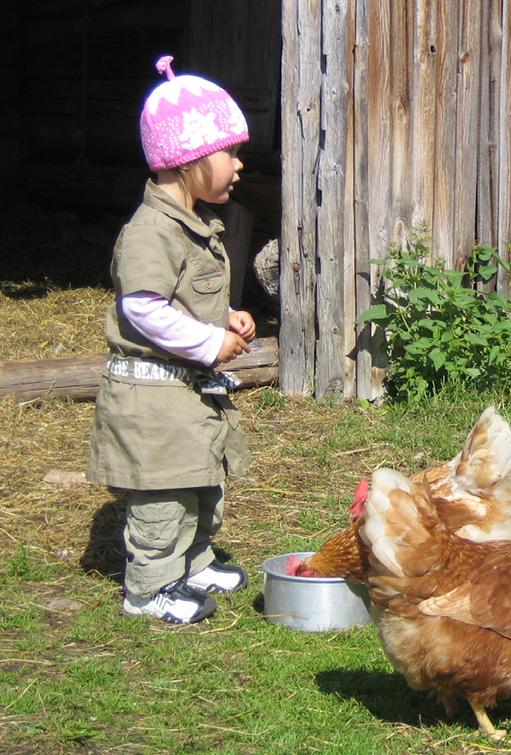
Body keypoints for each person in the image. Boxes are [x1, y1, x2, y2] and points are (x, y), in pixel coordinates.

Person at [87, 55, 254, 624]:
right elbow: (142, 308)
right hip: (152, 399)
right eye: (230, 153)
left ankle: (193, 562)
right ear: (188, 160)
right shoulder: (149, 231)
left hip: (186, 395)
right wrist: (209, 345)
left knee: (202, 483)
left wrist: (224, 317)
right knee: (162, 495)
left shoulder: (194, 224)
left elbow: (184, 299)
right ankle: (148, 588)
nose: (238, 165)